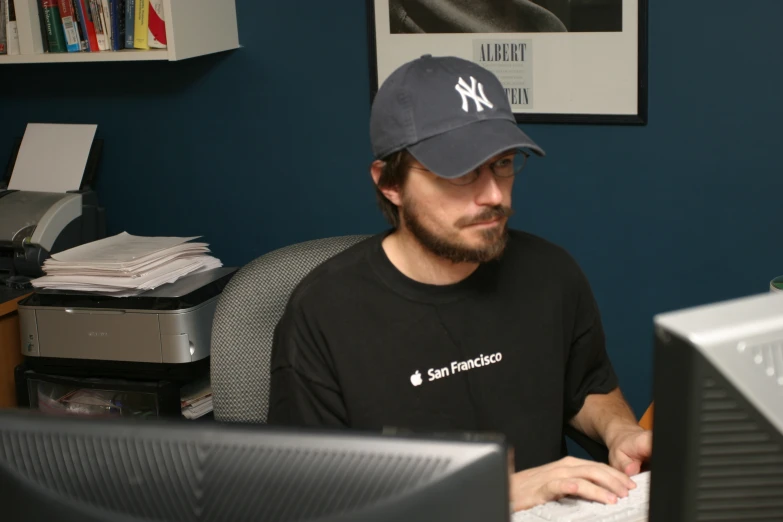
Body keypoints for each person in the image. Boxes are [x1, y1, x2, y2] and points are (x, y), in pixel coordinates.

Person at [267, 54, 652, 512]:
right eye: (460, 172)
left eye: (503, 164)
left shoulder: (550, 272)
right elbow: (311, 500)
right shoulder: (323, 313)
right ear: (389, 183)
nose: (493, 195)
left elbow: (588, 387)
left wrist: (618, 431)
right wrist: (494, 495)